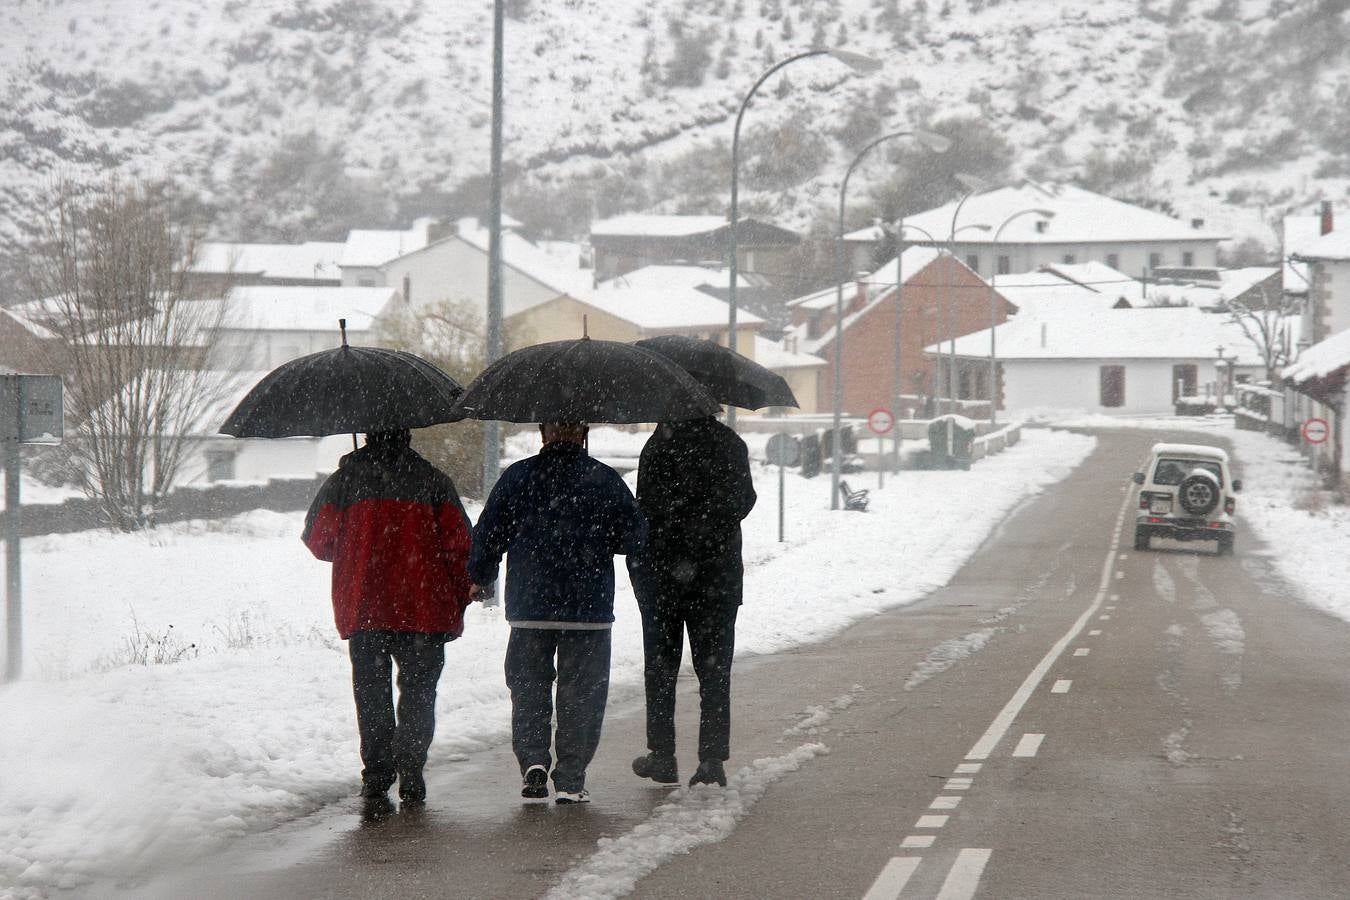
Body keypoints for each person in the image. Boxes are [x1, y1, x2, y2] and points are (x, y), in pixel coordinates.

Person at [469, 422, 645, 805]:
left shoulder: (518, 476)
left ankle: (533, 762)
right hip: (588, 608)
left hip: (530, 606)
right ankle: (569, 778)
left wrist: (480, 575)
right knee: (582, 694)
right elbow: (633, 537)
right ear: (582, 432)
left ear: (542, 432)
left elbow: (488, 533)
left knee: (529, 688)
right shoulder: (604, 478)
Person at [302, 429, 474, 810]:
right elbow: (460, 544)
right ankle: (411, 767)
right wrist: (464, 592)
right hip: (423, 609)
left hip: (366, 608)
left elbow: (318, 539)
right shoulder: (432, 479)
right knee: (419, 691)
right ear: (407, 433)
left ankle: (377, 776)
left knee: (371, 693)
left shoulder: (344, 481)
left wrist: (357, 549)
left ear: (366, 434)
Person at [627, 414, 756, 788]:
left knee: (660, 669)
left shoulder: (659, 442)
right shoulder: (730, 443)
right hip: (717, 577)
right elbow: (743, 502)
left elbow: (646, 507)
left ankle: (663, 755)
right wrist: (707, 531)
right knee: (714, 669)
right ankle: (712, 758)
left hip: (663, 575)